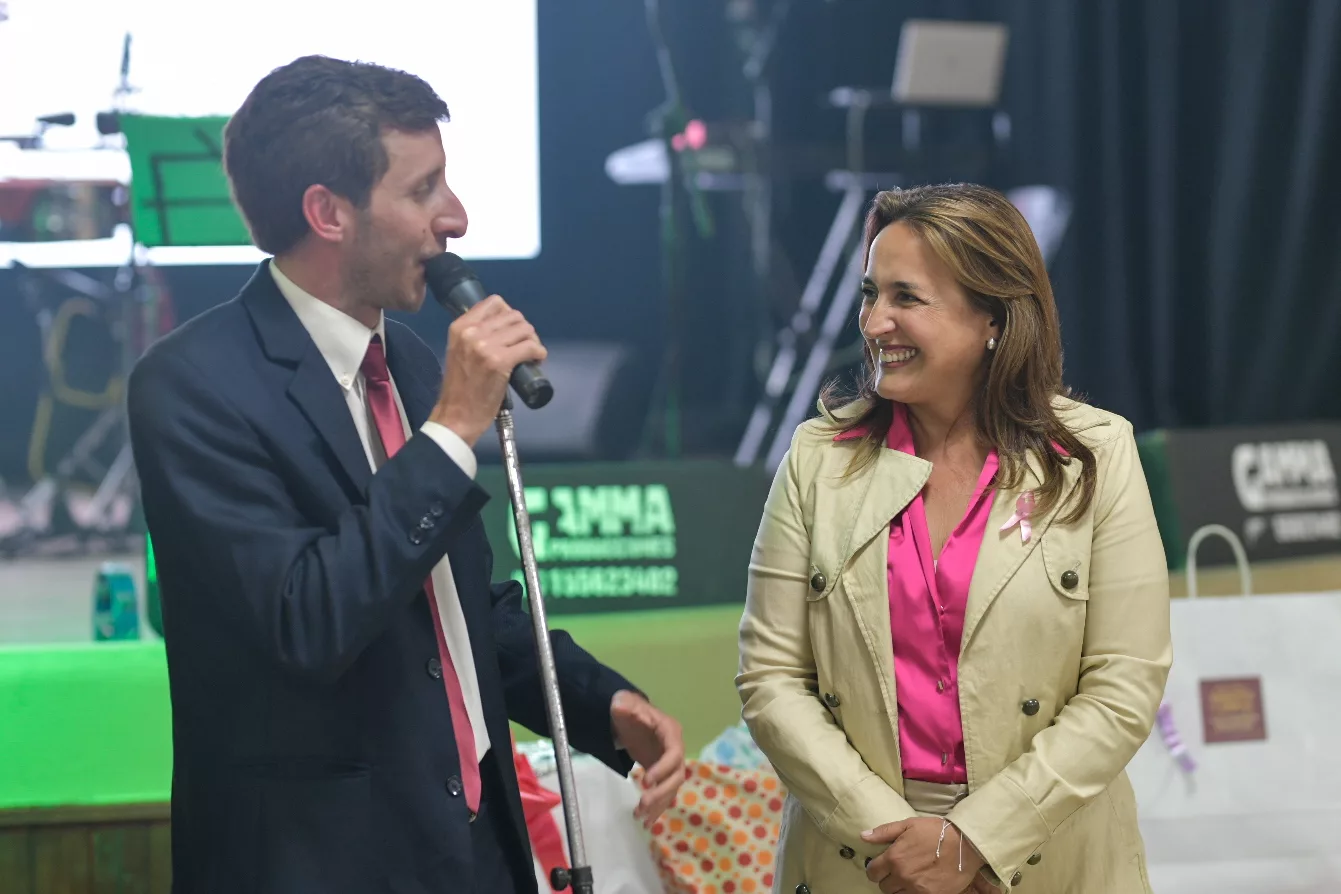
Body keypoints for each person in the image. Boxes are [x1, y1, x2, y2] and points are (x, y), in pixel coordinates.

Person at [127, 55, 685, 894]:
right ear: (328, 213)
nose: (455, 217)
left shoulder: (415, 363)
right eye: (423, 190)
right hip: (324, 864)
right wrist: (452, 429)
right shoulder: (192, 385)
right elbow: (305, 619)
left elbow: (452, 605)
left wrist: (597, 702)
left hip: (476, 851)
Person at [736, 183, 1171, 894]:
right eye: (870, 294)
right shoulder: (816, 459)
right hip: (865, 860)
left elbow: (1124, 685)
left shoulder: (1098, 453)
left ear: (993, 316)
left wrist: (976, 839)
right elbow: (771, 680)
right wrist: (900, 843)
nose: (874, 322)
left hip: (1046, 855)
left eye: (905, 298)